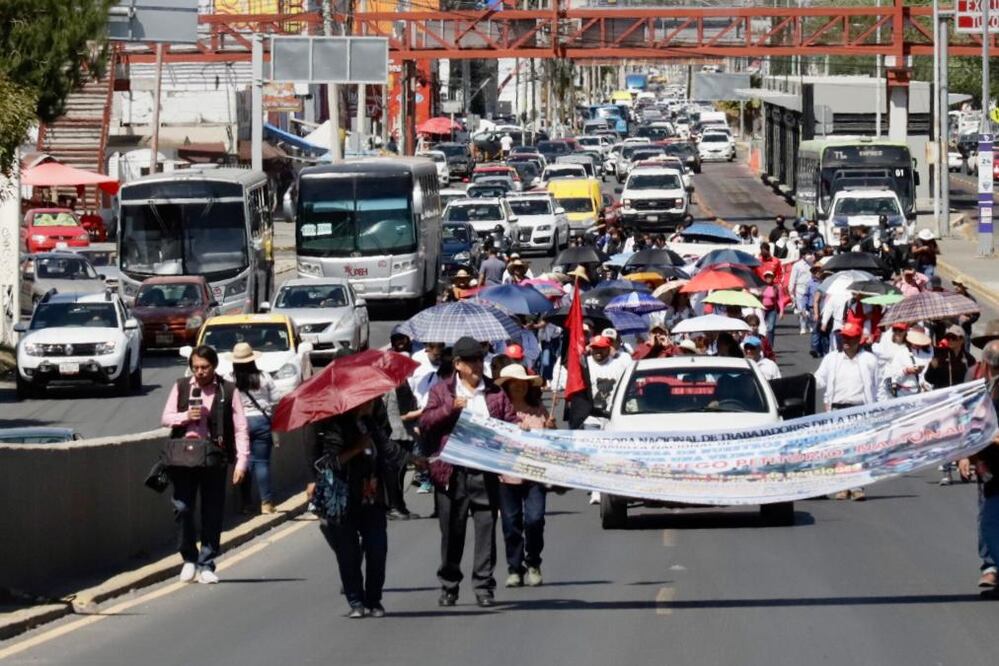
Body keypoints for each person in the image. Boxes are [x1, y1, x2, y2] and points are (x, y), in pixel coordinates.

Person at [420, 336, 518, 608]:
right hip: (452, 473)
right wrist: (450, 409)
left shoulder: (495, 393)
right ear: (458, 364)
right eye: (471, 361)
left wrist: (521, 430)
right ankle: (449, 585)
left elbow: (509, 421)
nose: (477, 365)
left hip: (484, 471)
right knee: (452, 531)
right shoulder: (442, 392)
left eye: (479, 359)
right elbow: (426, 423)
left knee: (486, 529)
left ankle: (484, 586)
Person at [309, 397, 423, 618]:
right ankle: (356, 601)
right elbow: (328, 463)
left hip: (373, 498)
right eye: (367, 400)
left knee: (377, 549)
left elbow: (388, 448)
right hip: (344, 500)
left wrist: (413, 459)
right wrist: (356, 448)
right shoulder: (335, 427)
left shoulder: (370, 423)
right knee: (348, 554)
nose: (372, 403)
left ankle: (374, 600)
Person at [160, 345, 250, 584]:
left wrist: (241, 463)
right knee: (182, 508)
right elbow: (166, 417)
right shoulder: (181, 386)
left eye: (204, 367)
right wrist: (185, 416)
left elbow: (241, 428)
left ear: (214, 366)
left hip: (213, 458)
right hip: (183, 458)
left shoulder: (228, 391)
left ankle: (207, 563)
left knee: (212, 511)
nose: (199, 372)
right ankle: (189, 558)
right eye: (195, 367)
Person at [494, 364, 554, 588]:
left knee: (535, 519)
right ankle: (514, 567)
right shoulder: (499, 411)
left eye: (522, 383)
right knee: (511, 523)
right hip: (507, 474)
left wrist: (550, 428)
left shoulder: (538, 409)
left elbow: (550, 442)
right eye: (514, 383)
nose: (518, 387)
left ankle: (533, 562)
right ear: (507, 386)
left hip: (534, 474)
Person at [813, 322, 879, 500]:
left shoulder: (869, 360)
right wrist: (805, 383)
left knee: (857, 449)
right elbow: (819, 379)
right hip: (837, 409)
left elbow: (877, 386)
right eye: (844, 337)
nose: (846, 341)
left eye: (850, 338)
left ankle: (857, 486)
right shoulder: (832, 359)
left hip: (859, 409)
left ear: (859, 339)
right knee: (840, 450)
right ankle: (843, 485)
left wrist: (878, 409)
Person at [228, 343, 278, 515]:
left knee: (244, 463)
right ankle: (266, 503)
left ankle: (246, 504)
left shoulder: (229, 379)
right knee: (262, 463)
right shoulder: (264, 377)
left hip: (240, 423)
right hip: (262, 420)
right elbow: (274, 400)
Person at [973, 340, 999, 599]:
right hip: (992, 468)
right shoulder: (982, 393)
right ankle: (992, 567)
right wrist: (973, 458)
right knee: (990, 521)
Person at [788, 251, 815, 335]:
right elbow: (792, 278)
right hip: (800, 289)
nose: (809, 256)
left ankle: (810, 325)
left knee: (810, 309)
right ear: (803, 255)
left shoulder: (813, 264)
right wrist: (791, 292)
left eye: (810, 254)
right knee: (801, 309)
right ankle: (803, 326)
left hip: (811, 289)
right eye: (808, 254)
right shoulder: (797, 265)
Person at [759, 268, 782, 348]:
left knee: (771, 328)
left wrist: (781, 312)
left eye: (770, 276)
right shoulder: (761, 286)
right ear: (764, 277)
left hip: (772, 309)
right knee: (762, 328)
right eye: (767, 277)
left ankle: (770, 347)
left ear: (773, 277)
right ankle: (761, 345)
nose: (768, 278)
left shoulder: (776, 287)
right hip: (762, 309)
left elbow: (780, 300)